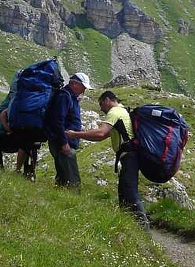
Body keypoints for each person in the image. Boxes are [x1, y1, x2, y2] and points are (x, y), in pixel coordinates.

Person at [66, 90, 149, 230]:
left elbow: (101, 133)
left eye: (101, 104)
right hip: (129, 157)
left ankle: (144, 231)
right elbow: (102, 136)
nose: (101, 108)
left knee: (130, 192)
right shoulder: (122, 111)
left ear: (107, 100)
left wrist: (75, 134)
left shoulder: (115, 112)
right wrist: (80, 135)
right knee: (124, 192)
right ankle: (129, 228)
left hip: (129, 157)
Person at [44, 72, 93, 190]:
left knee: (63, 172)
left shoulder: (69, 97)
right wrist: (63, 142)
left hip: (64, 141)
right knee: (71, 175)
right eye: (83, 87)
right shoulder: (64, 96)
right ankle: (73, 195)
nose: (84, 91)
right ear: (75, 84)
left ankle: (61, 193)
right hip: (64, 142)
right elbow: (57, 120)